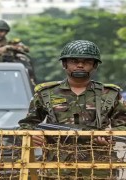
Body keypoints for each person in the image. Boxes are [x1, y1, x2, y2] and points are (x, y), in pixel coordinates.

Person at [18, 40, 126, 179]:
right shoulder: (46, 94)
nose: (80, 65)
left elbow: (123, 125)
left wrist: (109, 135)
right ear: (65, 64)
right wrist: (32, 135)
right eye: (74, 61)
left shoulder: (110, 94)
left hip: (98, 167)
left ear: (94, 65)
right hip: (55, 168)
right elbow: (26, 125)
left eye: (86, 61)